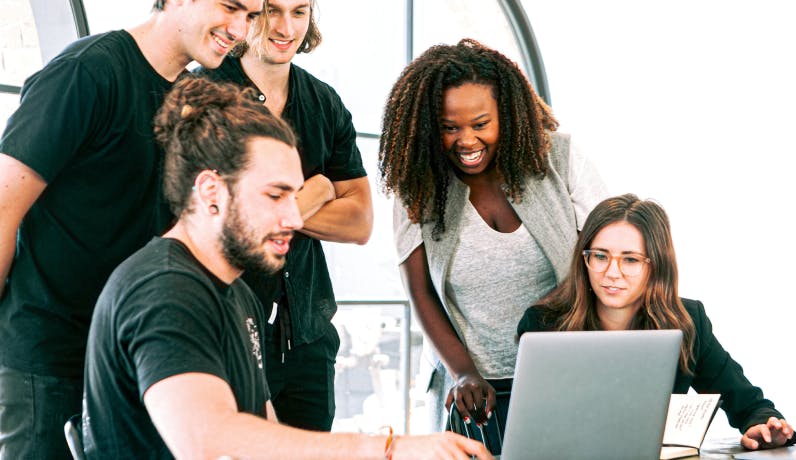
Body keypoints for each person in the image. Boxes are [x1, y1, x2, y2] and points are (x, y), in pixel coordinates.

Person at [82, 76, 491, 460]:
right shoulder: (165, 290)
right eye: (275, 196)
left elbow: (264, 430)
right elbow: (208, 439)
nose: (295, 219)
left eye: (294, 197)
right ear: (211, 191)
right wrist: (384, 448)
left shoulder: (237, 293)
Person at [0, 0, 262, 457]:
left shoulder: (191, 97)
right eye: (231, 7)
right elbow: (3, 206)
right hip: (51, 358)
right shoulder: (87, 72)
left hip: (132, 357)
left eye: (251, 16)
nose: (240, 29)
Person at [379, 38, 608, 432]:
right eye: (450, 128)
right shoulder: (416, 184)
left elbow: (605, 260)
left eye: (481, 124)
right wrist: (464, 373)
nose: (466, 141)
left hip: (564, 373)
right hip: (471, 390)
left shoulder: (561, 158)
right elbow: (420, 292)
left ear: (508, 114)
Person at [195, 0, 372, 431]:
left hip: (307, 338)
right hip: (226, 333)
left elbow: (360, 221)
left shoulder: (324, 102)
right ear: (248, 12)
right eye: (272, 10)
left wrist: (271, 208)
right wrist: (316, 192)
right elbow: (212, 214)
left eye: (299, 11)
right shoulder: (202, 94)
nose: (285, 27)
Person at [517, 193, 796, 450]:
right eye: (600, 256)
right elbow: (531, 428)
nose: (612, 272)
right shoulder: (543, 325)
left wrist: (763, 425)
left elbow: (748, 403)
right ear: (584, 260)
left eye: (630, 260)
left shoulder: (687, 322)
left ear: (656, 265)